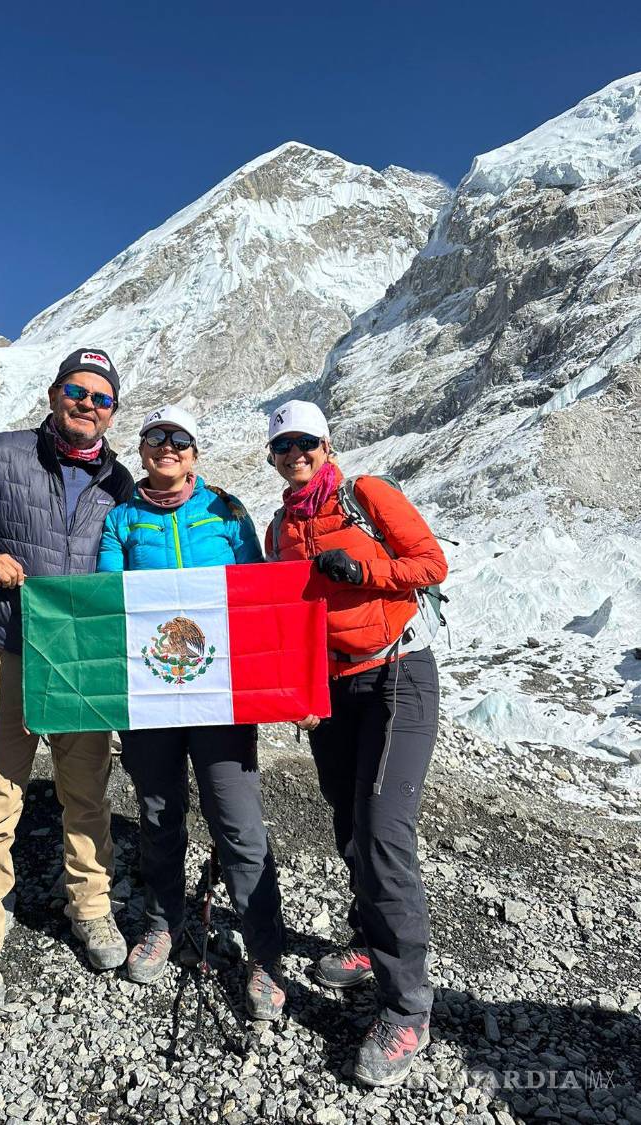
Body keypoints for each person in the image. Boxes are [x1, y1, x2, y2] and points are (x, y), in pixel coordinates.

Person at [0, 347, 134, 1015]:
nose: (86, 404)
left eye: (101, 397)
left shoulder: (122, 485)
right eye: (77, 390)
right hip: (6, 649)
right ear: (54, 392)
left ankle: (91, 906)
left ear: (111, 411)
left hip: (81, 663)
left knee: (87, 792)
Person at [264, 399, 448, 1085]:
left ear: (326, 442)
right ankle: (372, 941)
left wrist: (366, 573)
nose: (296, 454)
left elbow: (430, 564)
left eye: (306, 442)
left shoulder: (364, 493)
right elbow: (284, 619)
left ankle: (408, 1008)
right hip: (333, 691)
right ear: (273, 456)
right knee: (348, 822)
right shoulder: (280, 525)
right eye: (284, 447)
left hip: (398, 673)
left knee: (382, 832)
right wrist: (298, 694)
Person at [97, 404, 286, 1021]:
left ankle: (263, 956)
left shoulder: (227, 512)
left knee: (238, 823)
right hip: (150, 695)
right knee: (158, 814)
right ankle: (162, 922)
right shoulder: (122, 519)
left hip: (219, 695)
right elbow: (106, 601)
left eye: (179, 440)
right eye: (155, 439)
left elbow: (259, 595)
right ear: (143, 451)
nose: (167, 448)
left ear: (195, 453)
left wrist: (279, 684)